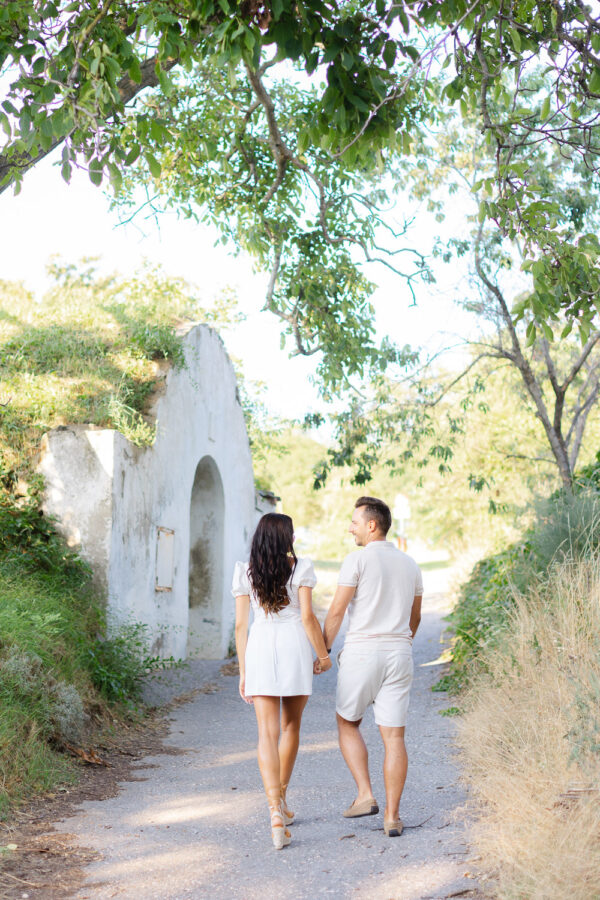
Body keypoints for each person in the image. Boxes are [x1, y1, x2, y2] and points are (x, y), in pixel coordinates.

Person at [321, 496, 423, 838]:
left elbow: (336, 612)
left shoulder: (357, 560)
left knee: (347, 722)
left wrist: (323, 651)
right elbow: (415, 616)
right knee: (394, 737)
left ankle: (365, 794)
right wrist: (403, 642)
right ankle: (392, 816)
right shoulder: (410, 564)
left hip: (363, 652)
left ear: (371, 525)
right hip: (399, 653)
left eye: (354, 522)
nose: (350, 527)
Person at [232, 513, 332, 850]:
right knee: (290, 728)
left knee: (266, 733)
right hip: (292, 647)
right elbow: (306, 616)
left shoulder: (245, 570)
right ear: (286, 538)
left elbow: (240, 627)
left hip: (260, 647)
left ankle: (275, 809)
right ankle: (282, 799)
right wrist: (323, 655)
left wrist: (244, 672)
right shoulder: (300, 567)